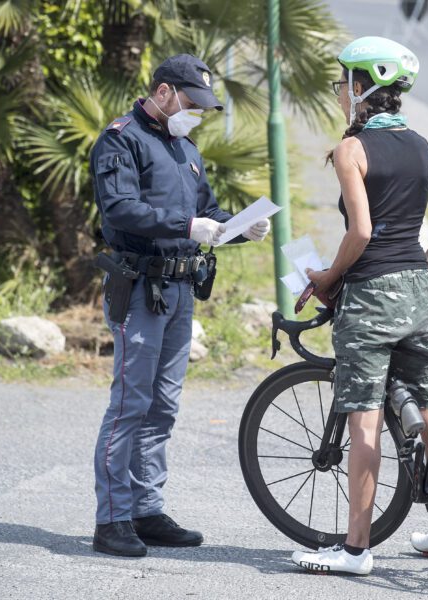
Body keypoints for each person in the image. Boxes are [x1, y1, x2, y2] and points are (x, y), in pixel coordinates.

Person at [290, 36, 428, 575]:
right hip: (415, 291)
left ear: (360, 89)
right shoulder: (422, 145)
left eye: (342, 84)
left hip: (372, 293)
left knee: (365, 420)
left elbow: (361, 230)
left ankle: (356, 550)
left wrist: (329, 275)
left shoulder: (352, 150)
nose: (339, 93)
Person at [89, 54, 271, 557]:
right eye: (191, 103)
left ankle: (147, 510)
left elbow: (206, 210)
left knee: (163, 407)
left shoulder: (185, 147)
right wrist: (189, 226)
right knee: (130, 405)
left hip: (180, 288)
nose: (195, 113)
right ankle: (112, 519)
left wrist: (239, 227)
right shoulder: (121, 138)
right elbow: (121, 208)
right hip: (140, 287)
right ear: (165, 91)